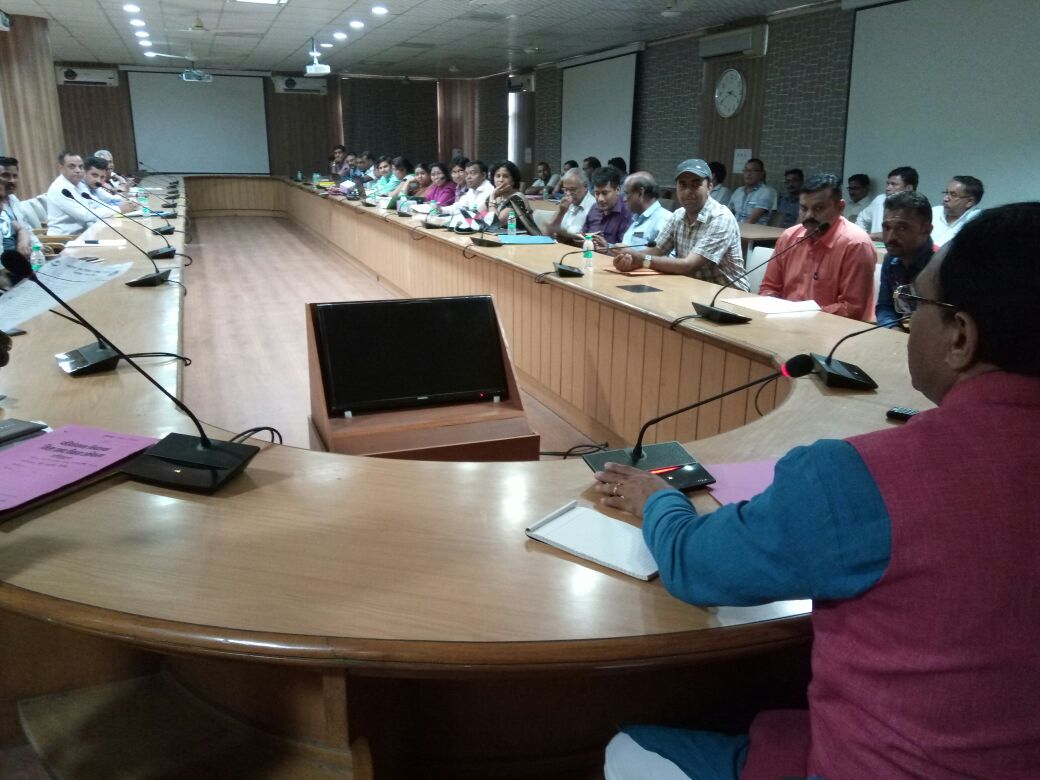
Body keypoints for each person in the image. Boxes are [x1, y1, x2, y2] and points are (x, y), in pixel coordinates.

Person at [596, 201, 1040, 780]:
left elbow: (694, 566)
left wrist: (659, 500)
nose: (908, 320)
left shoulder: (861, 477)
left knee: (626, 750)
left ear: (960, 337)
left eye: (915, 305)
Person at [758, 173, 876, 321]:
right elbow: (769, 288)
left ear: (840, 207)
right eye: (803, 208)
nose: (809, 215)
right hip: (786, 321)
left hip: (835, 328)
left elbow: (852, 309)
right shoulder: (789, 237)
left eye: (819, 208)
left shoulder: (856, 244)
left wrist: (799, 315)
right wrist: (772, 303)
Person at [613, 159, 746, 288]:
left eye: (695, 184)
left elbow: (689, 266)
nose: (688, 191)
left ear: (710, 187)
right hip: (693, 288)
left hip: (728, 294)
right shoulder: (678, 215)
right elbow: (657, 250)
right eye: (682, 185)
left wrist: (641, 259)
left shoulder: (720, 218)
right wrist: (628, 258)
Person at [875, 191, 937, 328]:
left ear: (926, 230)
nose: (890, 237)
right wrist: (893, 329)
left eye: (902, 228)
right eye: (886, 227)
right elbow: (885, 307)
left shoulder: (941, 266)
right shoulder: (890, 260)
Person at [614, 171, 672, 252]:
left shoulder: (665, 221)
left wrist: (634, 255)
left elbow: (670, 258)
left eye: (627, 193)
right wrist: (608, 247)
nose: (624, 199)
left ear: (641, 193)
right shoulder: (637, 218)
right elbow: (625, 250)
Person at [46, 151, 99, 236]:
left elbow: (95, 204)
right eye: (72, 166)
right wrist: (117, 210)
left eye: (80, 167)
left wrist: (115, 210)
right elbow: (84, 215)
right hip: (65, 238)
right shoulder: (60, 188)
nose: (78, 170)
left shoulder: (80, 185)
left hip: (82, 234)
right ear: (61, 167)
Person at [856, 166, 918, 238]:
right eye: (888, 184)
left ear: (909, 188)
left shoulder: (917, 208)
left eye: (893, 184)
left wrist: (871, 236)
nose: (888, 188)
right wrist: (862, 236)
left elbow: (901, 235)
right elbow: (862, 218)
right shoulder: (880, 200)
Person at [584, 166, 632, 248]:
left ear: (617, 190)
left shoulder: (627, 212)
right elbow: (585, 234)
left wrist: (607, 249)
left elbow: (625, 249)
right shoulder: (594, 208)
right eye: (597, 193)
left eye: (605, 193)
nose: (600, 199)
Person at [546, 167, 595, 244]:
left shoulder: (594, 207)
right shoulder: (566, 204)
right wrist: (561, 212)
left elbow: (592, 241)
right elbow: (548, 233)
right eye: (565, 190)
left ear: (585, 186)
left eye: (572, 189)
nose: (568, 194)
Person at [932, 175, 983, 246]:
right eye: (946, 193)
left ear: (969, 202)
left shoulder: (976, 223)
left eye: (953, 195)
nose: (945, 199)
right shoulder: (934, 212)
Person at [729, 158, 776, 225]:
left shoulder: (766, 192)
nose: (748, 174)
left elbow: (751, 221)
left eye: (753, 171)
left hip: (753, 230)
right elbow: (728, 213)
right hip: (734, 228)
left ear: (761, 174)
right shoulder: (738, 191)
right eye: (746, 170)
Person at [1, 175, 31, 261]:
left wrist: (22, 243)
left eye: (1, 199)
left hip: (15, 262)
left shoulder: (4, 215)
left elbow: (21, 229)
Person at [0, 156, 30, 225]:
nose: (12, 180)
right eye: (5, 175)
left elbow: (26, 227)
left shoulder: (13, 198)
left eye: (15, 176)